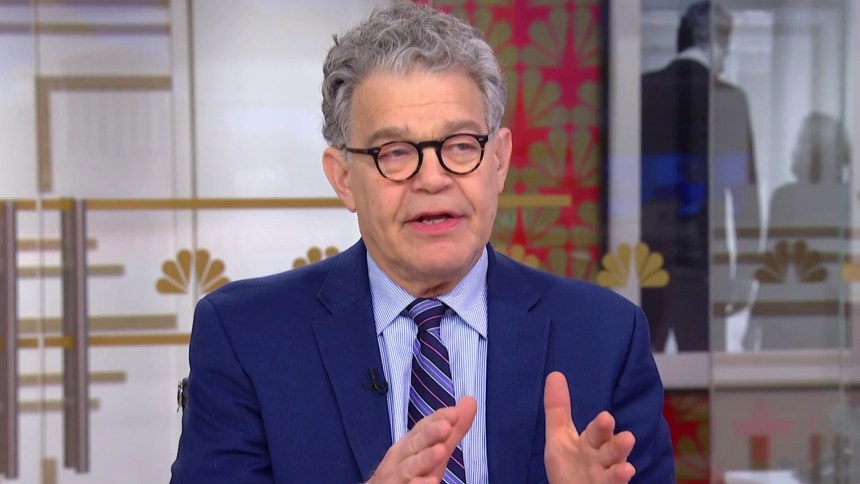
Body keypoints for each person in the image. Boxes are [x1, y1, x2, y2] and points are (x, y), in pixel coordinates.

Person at [170, 3, 673, 482]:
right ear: (343, 178)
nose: (433, 178)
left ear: (499, 161)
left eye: (461, 145)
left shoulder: (606, 337)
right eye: (394, 152)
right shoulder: (246, 338)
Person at [640, 0, 759, 352]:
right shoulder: (729, 100)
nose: (726, 58)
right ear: (718, 42)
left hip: (645, 256)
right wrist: (746, 271)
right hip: (704, 262)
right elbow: (744, 197)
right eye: (728, 46)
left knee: (641, 359)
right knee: (701, 360)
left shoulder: (644, 90)